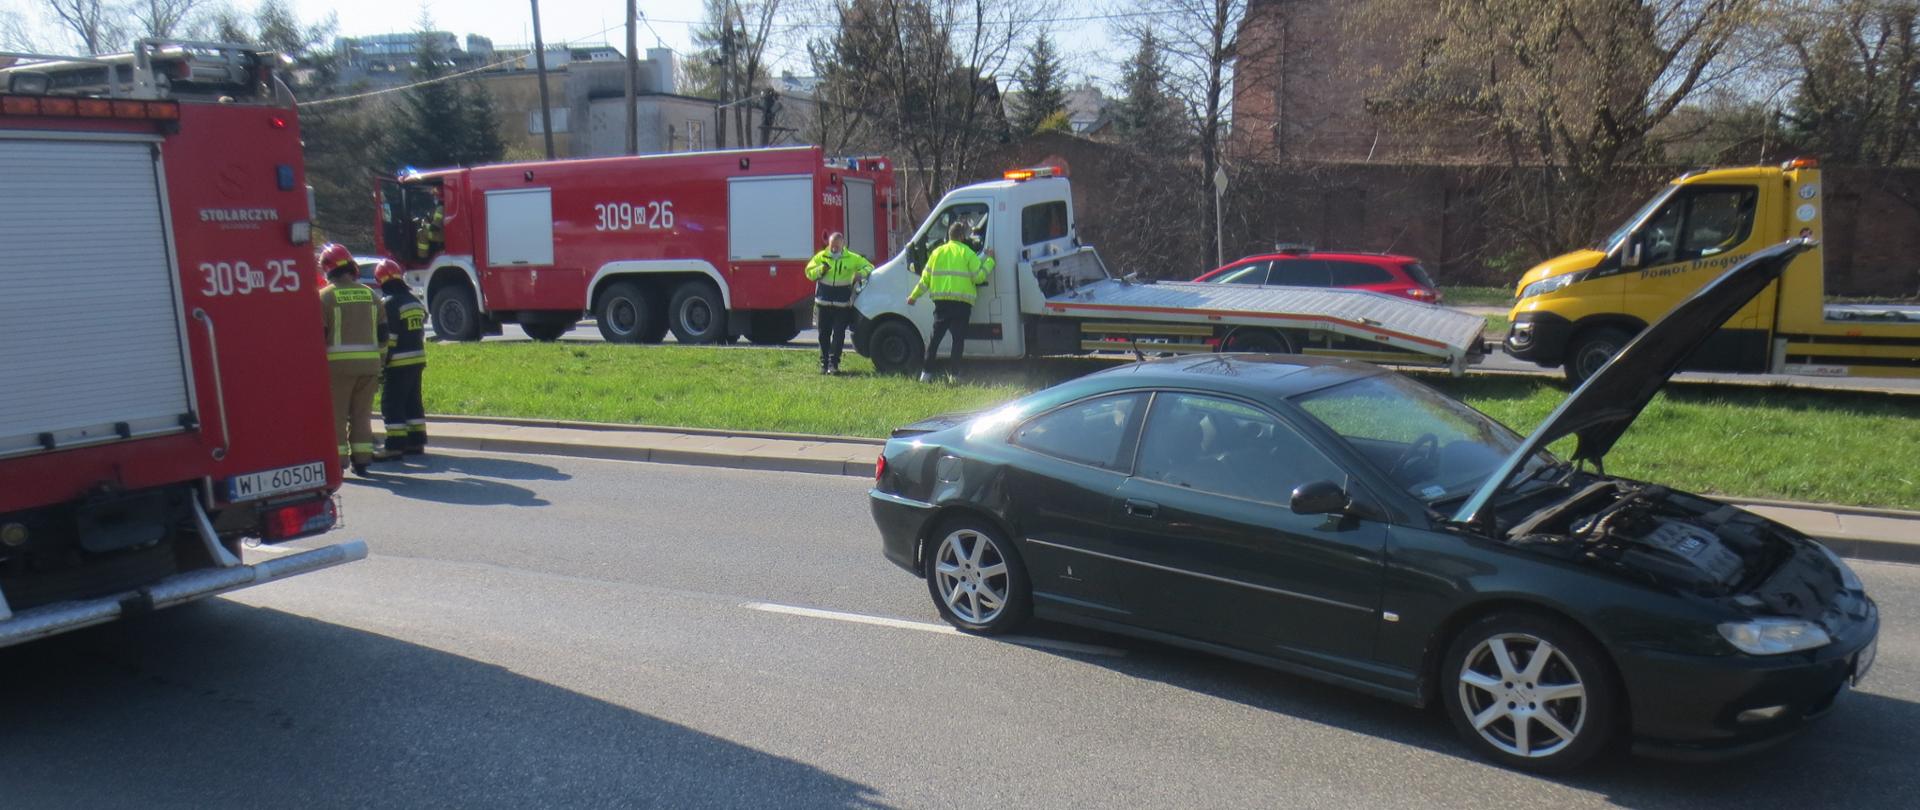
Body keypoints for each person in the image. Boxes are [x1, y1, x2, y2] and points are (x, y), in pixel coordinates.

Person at [318, 243, 388, 476]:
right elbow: (383, 335)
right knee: (361, 415)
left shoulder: (324, 297)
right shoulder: (371, 295)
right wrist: (380, 362)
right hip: (370, 366)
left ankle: (338, 462)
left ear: (327, 269)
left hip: (338, 367)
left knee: (337, 416)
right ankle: (362, 460)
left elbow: (319, 336)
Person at [906, 221, 994, 382]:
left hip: (942, 303)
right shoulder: (968, 253)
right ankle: (954, 375)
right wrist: (990, 261)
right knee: (958, 340)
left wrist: (913, 296)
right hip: (962, 304)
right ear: (962, 236)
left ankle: (926, 374)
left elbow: (925, 280)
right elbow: (978, 277)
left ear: (949, 235)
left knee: (935, 340)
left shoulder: (936, 253)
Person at [374, 259, 429, 458]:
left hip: (397, 362)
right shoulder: (413, 300)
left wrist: (382, 363)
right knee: (413, 401)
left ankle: (394, 445)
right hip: (417, 359)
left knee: (392, 403)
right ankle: (416, 441)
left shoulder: (388, 303)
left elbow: (389, 337)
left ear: (381, 280)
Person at [804, 232, 874, 375]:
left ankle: (834, 363)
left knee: (839, 335)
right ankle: (824, 363)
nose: (834, 249)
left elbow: (870, 267)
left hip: (842, 304)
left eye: (837, 246)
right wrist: (821, 269)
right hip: (823, 303)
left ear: (843, 244)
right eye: (832, 246)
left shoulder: (853, 258)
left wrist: (860, 274)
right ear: (829, 244)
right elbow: (809, 273)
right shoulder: (821, 257)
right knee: (823, 334)